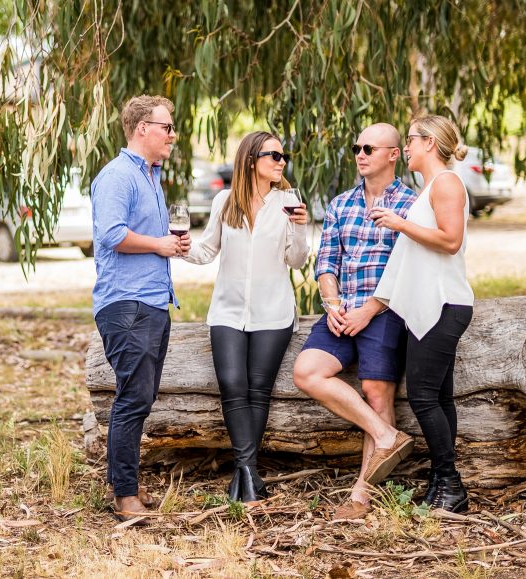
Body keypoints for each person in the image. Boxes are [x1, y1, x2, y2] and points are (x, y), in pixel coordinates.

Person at [293, 123, 417, 520]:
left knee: (376, 391)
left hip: (384, 311)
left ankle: (361, 497)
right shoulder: (340, 204)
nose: (360, 154)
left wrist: (369, 309)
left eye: (369, 148)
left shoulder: (412, 205)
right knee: (307, 371)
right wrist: (332, 304)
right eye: (356, 147)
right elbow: (326, 262)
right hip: (342, 311)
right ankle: (387, 436)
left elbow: (409, 268)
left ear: (393, 154)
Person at [183, 131, 310, 503]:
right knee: (232, 385)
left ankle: (245, 476)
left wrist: (301, 227)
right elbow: (207, 250)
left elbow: (296, 260)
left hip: (273, 311)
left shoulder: (289, 201)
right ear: (251, 159)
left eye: (283, 156)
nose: (280, 162)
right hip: (227, 310)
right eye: (272, 155)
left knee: (258, 390)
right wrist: (175, 246)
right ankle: (249, 472)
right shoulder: (226, 200)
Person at [91, 94, 191, 523]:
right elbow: (112, 234)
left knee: (143, 396)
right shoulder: (117, 176)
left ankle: (124, 480)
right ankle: (124, 495)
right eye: (167, 127)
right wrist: (160, 244)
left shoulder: (150, 176)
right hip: (126, 304)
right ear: (141, 129)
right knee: (133, 397)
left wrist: (171, 243)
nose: (173, 135)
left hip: (151, 301)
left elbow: (145, 235)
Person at [371, 115, 473, 513]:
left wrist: (399, 224)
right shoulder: (431, 186)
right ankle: (443, 482)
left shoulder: (447, 183)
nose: (407, 147)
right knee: (439, 396)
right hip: (434, 303)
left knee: (424, 397)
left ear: (429, 142)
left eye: (411, 139)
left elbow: (450, 241)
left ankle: (450, 482)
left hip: (444, 303)